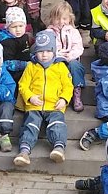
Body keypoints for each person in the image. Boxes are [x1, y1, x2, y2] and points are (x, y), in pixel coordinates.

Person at [14, 30, 73, 166]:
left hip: (54, 105)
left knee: (57, 124)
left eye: (48, 51)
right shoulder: (31, 67)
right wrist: (30, 97)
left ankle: (58, 148)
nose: (44, 55)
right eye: (40, 51)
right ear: (35, 53)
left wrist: (64, 99)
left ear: (54, 51)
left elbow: (68, 86)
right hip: (34, 106)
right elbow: (23, 85)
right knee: (30, 125)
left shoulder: (60, 67)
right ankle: (24, 151)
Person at [45, 2, 87, 112]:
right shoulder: (48, 33)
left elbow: (78, 47)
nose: (60, 22)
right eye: (57, 19)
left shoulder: (73, 32)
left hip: (71, 58)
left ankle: (76, 94)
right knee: (58, 65)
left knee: (75, 66)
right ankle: (58, 94)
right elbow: (47, 48)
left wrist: (70, 55)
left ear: (69, 19)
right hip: (56, 59)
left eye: (64, 19)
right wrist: (58, 55)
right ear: (52, 19)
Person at [0, 6, 33, 85]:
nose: (18, 30)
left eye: (21, 26)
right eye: (14, 27)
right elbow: (6, 63)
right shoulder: (7, 42)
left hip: (26, 68)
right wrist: (25, 64)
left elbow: (26, 52)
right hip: (12, 75)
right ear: (8, 27)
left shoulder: (24, 36)